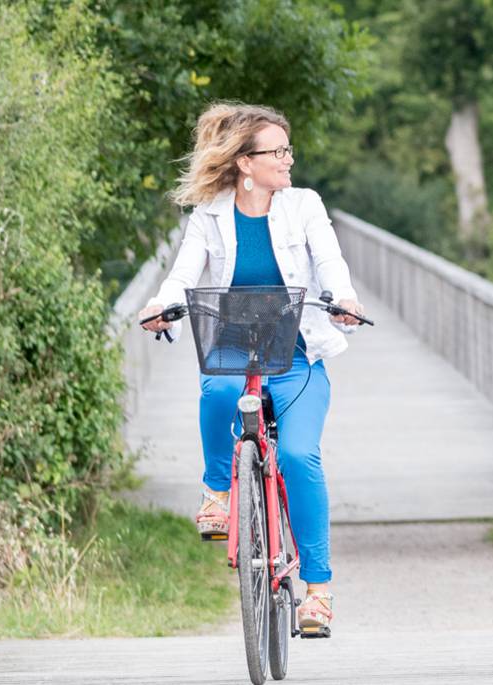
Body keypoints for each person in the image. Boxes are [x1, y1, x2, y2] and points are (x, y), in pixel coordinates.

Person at [138, 102, 365, 635]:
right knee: (217, 393)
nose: (289, 159)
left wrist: (343, 297)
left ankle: (318, 591)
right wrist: (159, 304)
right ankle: (218, 491)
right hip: (233, 350)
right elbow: (183, 273)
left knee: (298, 456)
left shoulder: (304, 204)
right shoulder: (210, 213)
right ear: (245, 162)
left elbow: (329, 261)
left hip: (296, 356)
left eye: (289, 149)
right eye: (278, 151)